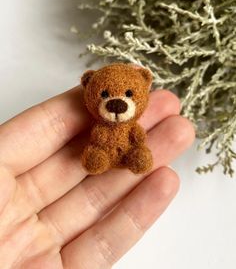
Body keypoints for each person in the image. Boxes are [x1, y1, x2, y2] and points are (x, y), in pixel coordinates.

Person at [0, 86, 195, 268]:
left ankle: (134, 157)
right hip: (103, 153)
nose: (117, 103)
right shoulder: (100, 128)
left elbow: (138, 136)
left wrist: (137, 142)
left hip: (126, 155)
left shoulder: (132, 126)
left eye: (128, 94)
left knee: (141, 157)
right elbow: (97, 137)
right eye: (104, 95)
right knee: (94, 156)